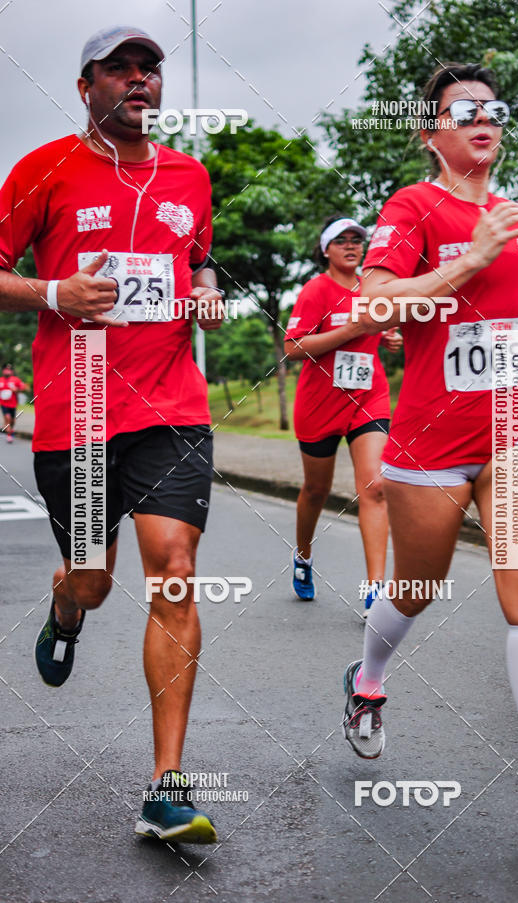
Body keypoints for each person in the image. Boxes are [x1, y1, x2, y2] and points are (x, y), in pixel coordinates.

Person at [342, 61, 518, 840]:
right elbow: (377, 300)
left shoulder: (516, 218)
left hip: (517, 425)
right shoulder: (413, 206)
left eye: (494, 108)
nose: (483, 118)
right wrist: (471, 257)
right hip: (430, 438)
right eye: (463, 110)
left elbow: (500, 314)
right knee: (415, 587)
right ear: (431, 133)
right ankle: (368, 678)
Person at [0, 26, 225, 844]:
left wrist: (204, 289)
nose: (140, 80)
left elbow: (199, 255)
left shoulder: (190, 175)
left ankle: (166, 782)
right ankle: (66, 610)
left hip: (171, 405)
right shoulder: (43, 170)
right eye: (121, 68)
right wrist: (56, 289)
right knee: (93, 576)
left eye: (150, 69)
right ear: (86, 83)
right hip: (81, 407)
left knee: (176, 567)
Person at [284, 216, 402, 615]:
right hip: (320, 404)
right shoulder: (316, 290)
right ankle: (303, 556)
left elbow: (388, 331)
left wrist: (390, 337)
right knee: (316, 490)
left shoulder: (376, 289)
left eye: (357, 240)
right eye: (341, 241)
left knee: (375, 487)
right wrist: (353, 328)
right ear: (325, 250)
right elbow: (294, 347)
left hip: (369, 398)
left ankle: (374, 589)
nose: (351, 246)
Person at [0, 363, 29, 443]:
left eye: (9, 369)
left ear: (11, 371)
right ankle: (9, 435)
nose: (7, 371)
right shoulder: (1, 380)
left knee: (12, 421)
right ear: (3, 371)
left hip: (13, 404)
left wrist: (17, 389)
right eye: (6, 369)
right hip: (3, 404)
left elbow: (24, 387)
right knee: (8, 418)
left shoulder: (15, 380)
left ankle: (9, 428)